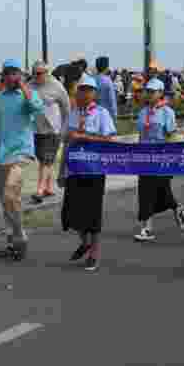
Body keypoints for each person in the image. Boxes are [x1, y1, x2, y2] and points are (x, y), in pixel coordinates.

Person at [0, 60, 43, 261]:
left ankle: (20, 235)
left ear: (20, 75)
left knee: (10, 194)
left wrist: (23, 86)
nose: (12, 76)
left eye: (16, 73)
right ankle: (13, 242)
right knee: (7, 203)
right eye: (8, 73)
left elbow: (36, 107)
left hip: (21, 153)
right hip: (3, 155)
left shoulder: (27, 94)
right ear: (3, 76)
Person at [62, 74, 117, 272]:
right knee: (71, 213)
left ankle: (94, 253)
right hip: (74, 169)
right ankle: (84, 242)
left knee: (92, 214)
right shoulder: (73, 113)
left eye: (87, 90)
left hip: (94, 169)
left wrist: (84, 137)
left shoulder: (102, 114)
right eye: (80, 90)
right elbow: (67, 141)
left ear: (94, 93)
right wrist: (62, 170)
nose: (83, 93)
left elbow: (110, 140)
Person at [134, 78, 184, 242]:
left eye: (152, 91)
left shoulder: (167, 112)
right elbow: (141, 135)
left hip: (162, 158)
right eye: (147, 91)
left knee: (162, 190)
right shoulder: (143, 112)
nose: (149, 94)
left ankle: (176, 207)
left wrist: (171, 159)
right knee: (145, 191)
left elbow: (171, 136)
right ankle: (147, 228)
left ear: (160, 93)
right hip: (145, 158)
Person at [29, 61, 70, 203]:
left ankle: (39, 190)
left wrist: (64, 130)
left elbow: (66, 109)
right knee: (43, 159)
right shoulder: (30, 85)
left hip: (53, 130)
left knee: (46, 160)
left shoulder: (56, 86)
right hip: (36, 129)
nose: (35, 76)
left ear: (47, 73)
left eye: (39, 73)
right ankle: (48, 187)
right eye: (33, 73)